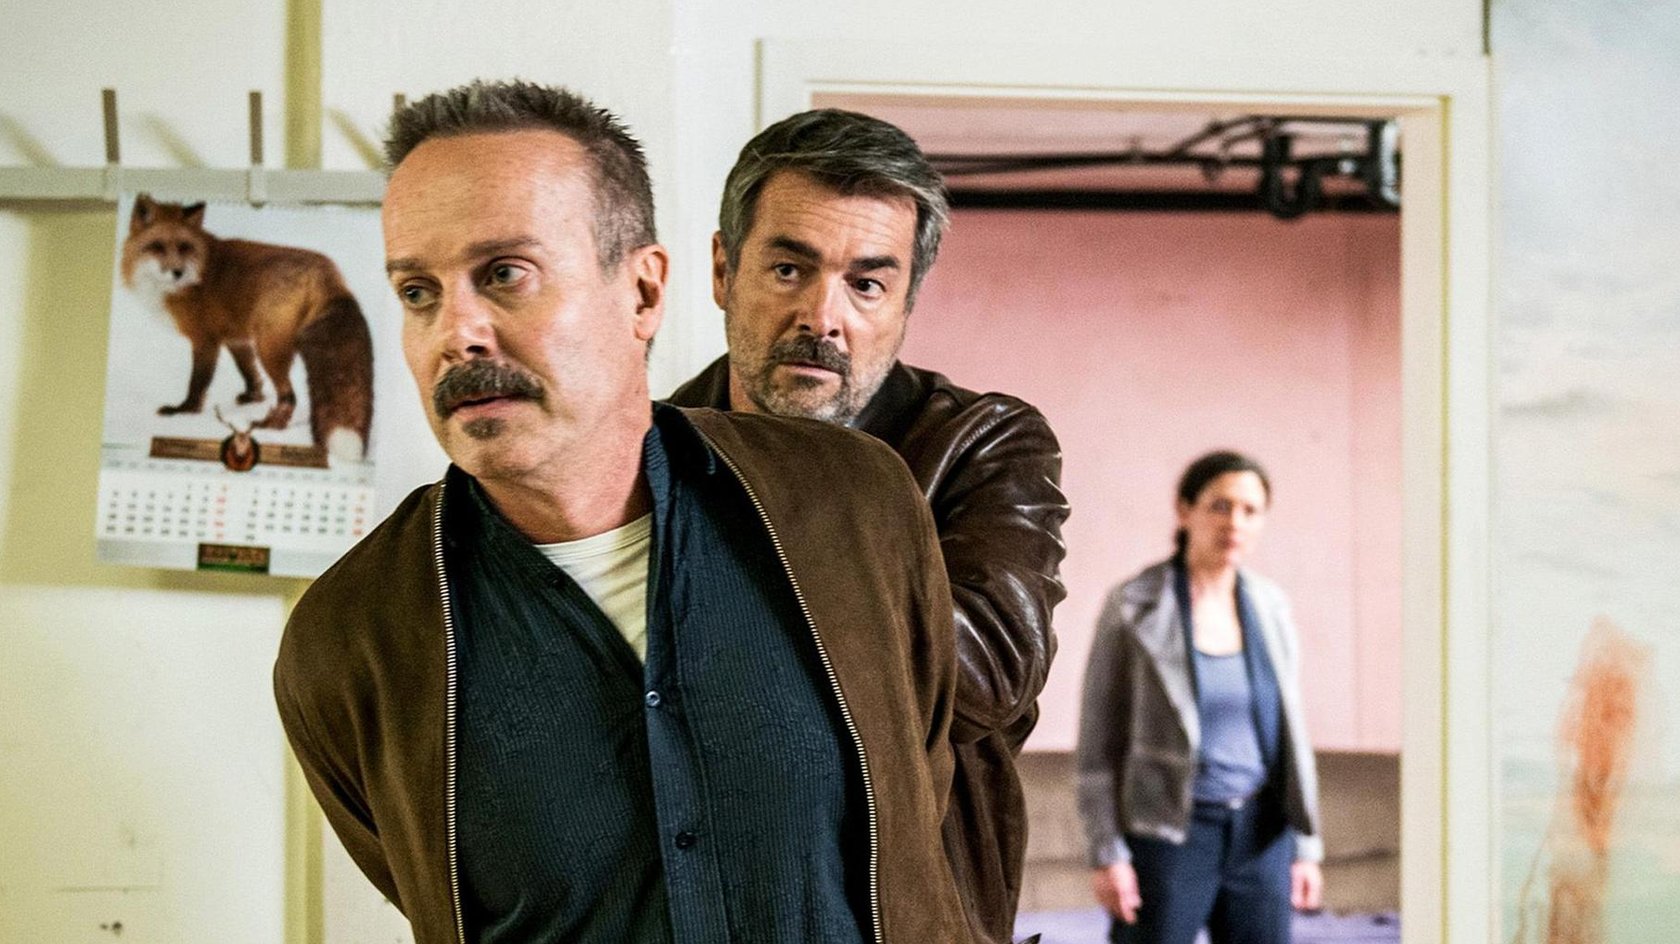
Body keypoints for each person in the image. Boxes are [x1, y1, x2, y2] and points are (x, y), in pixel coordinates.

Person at [273, 80, 972, 944]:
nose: (457, 333)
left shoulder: (853, 508)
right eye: (419, 292)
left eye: (505, 275)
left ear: (642, 293)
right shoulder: (351, 639)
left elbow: (913, 812)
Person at [667, 108, 1070, 944]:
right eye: (788, 269)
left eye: (867, 285)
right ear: (723, 270)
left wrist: (796, 476)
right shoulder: (641, 457)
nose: (823, 316)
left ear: (905, 304)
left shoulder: (981, 444)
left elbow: (987, 675)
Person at [1075, 451, 1325, 944]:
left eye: (1250, 510)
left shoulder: (1271, 606)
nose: (1235, 522)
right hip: (1168, 836)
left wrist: (1306, 847)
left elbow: (1291, 735)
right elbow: (1097, 746)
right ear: (1184, 509)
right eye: (1220, 505)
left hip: (1262, 835)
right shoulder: (1133, 604)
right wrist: (1107, 854)